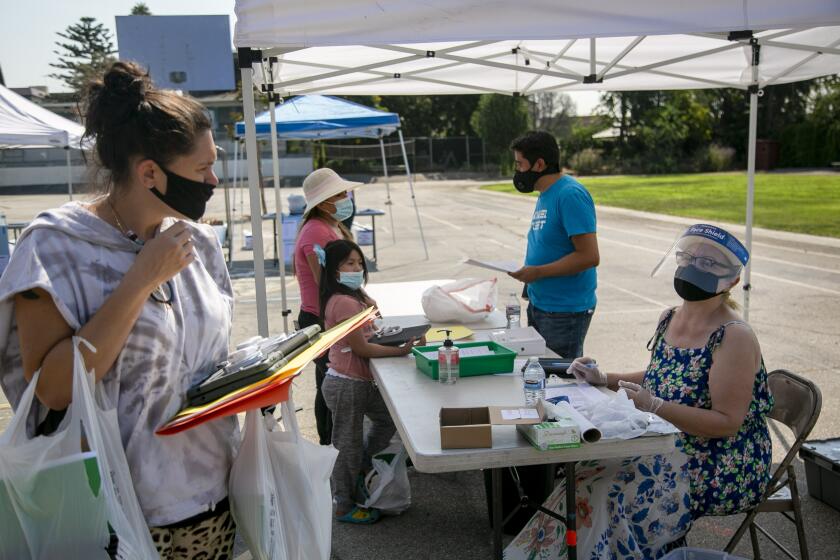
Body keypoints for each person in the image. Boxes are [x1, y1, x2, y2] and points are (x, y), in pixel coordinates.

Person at [0, 62, 239, 558]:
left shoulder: (200, 241)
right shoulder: (54, 247)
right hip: (115, 519)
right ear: (149, 172)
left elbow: (206, 360)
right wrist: (140, 279)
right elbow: (55, 389)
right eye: (202, 169)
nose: (215, 179)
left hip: (215, 504)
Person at [507, 223, 773, 559]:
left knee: (604, 490)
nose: (694, 268)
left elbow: (726, 423)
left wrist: (655, 406)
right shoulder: (671, 317)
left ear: (733, 280)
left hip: (720, 463)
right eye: (689, 257)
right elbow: (663, 374)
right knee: (582, 475)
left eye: (709, 264)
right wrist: (603, 377)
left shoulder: (734, 336)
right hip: (664, 440)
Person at [317, 238, 419, 524]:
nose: (357, 268)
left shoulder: (354, 298)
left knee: (388, 420)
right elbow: (361, 349)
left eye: (359, 262)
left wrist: (375, 308)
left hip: (358, 383)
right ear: (334, 270)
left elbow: (373, 331)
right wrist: (399, 350)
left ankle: (363, 467)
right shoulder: (344, 302)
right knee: (345, 444)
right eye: (349, 263)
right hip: (346, 384)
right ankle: (343, 504)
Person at [507, 130, 599, 360]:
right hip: (541, 305)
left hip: (564, 312)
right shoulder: (546, 194)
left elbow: (589, 256)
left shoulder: (569, 195)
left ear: (539, 164)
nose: (517, 171)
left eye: (520, 164)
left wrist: (538, 272)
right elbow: (550, 246)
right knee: (541, 377)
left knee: (560, 386)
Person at [293, 168, 361, 445]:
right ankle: (329, 447)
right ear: (323, 202)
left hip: (332, 314)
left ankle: (333, 448)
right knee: (330, 385)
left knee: (328, 384)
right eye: (340, 194)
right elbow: (327, 284)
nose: (347, 198)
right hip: (321, 319)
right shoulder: (315, 233)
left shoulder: (331, 225)